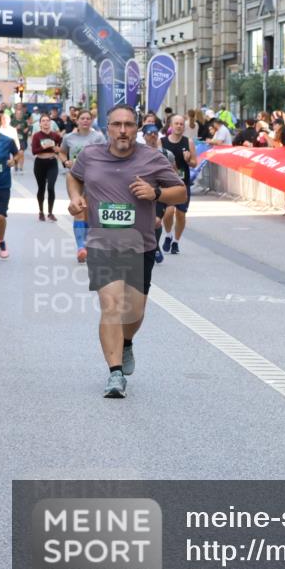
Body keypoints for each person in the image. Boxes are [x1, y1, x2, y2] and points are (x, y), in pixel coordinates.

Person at [66, 104, 186, 398]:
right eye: (117, 124)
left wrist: (155, 193)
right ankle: (115, 374)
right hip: (101, 244)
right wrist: (75, 197)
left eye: (129, 125)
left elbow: (180, 192)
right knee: (111, 306)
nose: (122, 130)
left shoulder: (153, 159)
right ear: (107, 128)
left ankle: (127, 342)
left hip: (140, 245)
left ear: (137, 128)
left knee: (134, 312)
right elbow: (74, 176)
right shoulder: (91, 155)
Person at [59, 110, 107, 263]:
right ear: (77, 121)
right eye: (82, 118)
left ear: (92, 121)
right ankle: (81, 247)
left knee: (88, 211)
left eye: (88, 118)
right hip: (75, 177)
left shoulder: (98, 137)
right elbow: (62, 152)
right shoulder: (69, 137)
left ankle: (87, 243)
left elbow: (105, 155)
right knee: (78, 209)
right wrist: (66, 162)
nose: (85, 121)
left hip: (93, 178)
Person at [160, 114, 198, 256]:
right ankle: (168, 235)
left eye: (181, 124)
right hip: (168, 184)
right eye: (176, 123)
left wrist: (188, 160)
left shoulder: (188, 142)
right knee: (169, 212)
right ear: (171, 125)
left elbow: (195, 163)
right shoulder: (162, 142)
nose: (179, 126)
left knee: (181, 215)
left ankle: (176, 241)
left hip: (183, 183)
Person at [142, 123, 177, 264]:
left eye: (155, 134)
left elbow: (174, 172)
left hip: (160, 192)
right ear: (144, 136)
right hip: (142, 192)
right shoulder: (137, 153)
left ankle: (155, 246)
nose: (152, 136)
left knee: (156, 221)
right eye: (149, 134)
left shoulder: (166, 154)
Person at [0, 111, 22, 261]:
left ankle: (1, 239)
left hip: (2, 183)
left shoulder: (7, 140)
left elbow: (18, 154)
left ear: (1, 122)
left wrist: (14, 161)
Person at [31, 114, 63, 221]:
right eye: (43, 121)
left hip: (52, 162)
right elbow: (34, 151)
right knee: (41, 188)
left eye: (47, 120)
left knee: (51, 187)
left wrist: (58, 149)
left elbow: (62, 146)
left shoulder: (55, 135)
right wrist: (43, 147)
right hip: (40, 163)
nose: (45, 123)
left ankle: (50, 212)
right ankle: (41, 211)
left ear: (51, 123)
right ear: (40, 123)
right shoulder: (37, 136)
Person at [11, 105, 29, 174]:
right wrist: (16, 128)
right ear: (15, 115)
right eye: (17, 114)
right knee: (15, 154)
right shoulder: (12, 121)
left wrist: (26, 129)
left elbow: (28, 127)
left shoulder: (24, 121)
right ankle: (16, 166)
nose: (19, 115)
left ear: (22, 115)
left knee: (21, 153)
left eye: (20, 114)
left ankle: (21, 168)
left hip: (22, 140)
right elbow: (9, 129)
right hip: (14, 140)